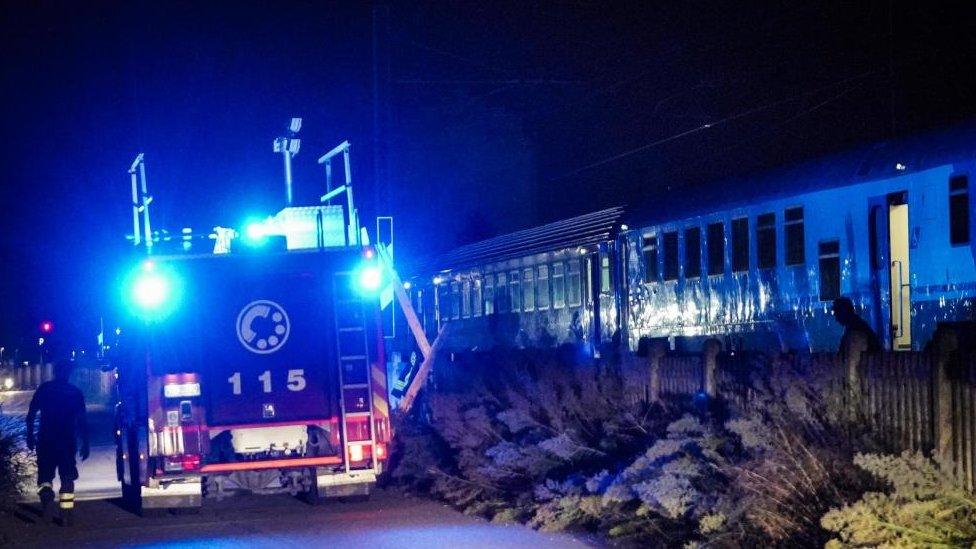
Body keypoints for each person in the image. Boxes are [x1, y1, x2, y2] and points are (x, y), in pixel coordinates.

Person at [26, 359, 89, 526]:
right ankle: (66, 514)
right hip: (66, 442)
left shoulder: (45, 389)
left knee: (45, 478)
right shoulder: (74, 392)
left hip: (46, 440)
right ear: (69, 373)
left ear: (54, 371)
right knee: (67, 478)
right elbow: (82, 420)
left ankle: (47, 503)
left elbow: (31, 415)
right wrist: (86, 443)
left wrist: (30, 437)